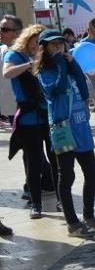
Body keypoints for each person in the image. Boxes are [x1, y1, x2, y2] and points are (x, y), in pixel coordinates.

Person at [35, 29, 95, 237]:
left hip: (81, 129)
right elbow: (57, 89)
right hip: (63, 130)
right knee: (66, 176)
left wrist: (73, 65)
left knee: (92, 174)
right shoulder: (44, 72)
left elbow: (85, 92)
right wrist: (61, 64)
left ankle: (89, 215)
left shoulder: (70, 67)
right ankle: (72, 223)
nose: (58, 47)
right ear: (44, 48)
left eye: (60, 43)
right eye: (53, 45)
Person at [4, 23, 55, 224]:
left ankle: (60, 200)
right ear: (29, 38)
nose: (39, 46)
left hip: (46, 115)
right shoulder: (14, 55)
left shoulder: (45, 56)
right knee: (33, 162)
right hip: (27, 117)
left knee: (55, 158)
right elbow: (7, 73)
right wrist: (31, 63)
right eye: (37, 41)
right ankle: (36, 203)